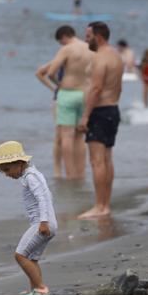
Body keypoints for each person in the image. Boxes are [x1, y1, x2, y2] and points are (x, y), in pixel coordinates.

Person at [0, 141, 56, 295]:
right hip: (46, 222)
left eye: (7, 170)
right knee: (32, 258)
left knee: (20, 255)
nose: (6, 174)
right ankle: (36, 292)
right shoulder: (32, 175)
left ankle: (41, 289)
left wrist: (43, 222)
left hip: (43, 223)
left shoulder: (31, 177)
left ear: (19, 163)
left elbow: (43, 198)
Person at [76, 21, 123, 219]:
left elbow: (96, 88)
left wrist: (85, 116)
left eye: (88, 36)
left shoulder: (100, 58)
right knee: (106, 159)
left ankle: (99, 206)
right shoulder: (116, 56)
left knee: (96, 161)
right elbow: (117, 87)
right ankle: (105, 205)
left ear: (98, 37)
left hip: (100, 112)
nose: (86, 40)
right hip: (112, 109)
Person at [37, 25, 92, 181]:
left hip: (68, 93)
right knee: (80, 137)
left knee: (66, 136)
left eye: (61, 41)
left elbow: (51, 72)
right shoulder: (89, 48)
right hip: (85, 94)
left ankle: (70, 175)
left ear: (64, 37)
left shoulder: (67, 49)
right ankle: (81, 174)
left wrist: (59, 84)